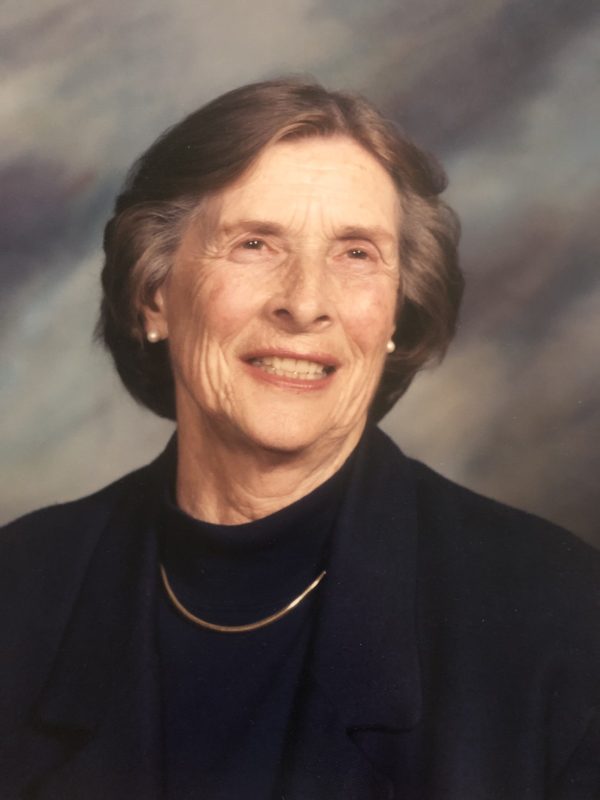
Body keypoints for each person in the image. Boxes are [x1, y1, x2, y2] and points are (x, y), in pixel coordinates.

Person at [1, 79, 599, 800]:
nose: (306, 302)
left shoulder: (564, 618)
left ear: (395, 314)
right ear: (153, 295)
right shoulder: (18, 589)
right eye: (254, 244)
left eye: (356, 254)